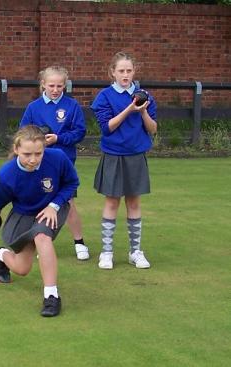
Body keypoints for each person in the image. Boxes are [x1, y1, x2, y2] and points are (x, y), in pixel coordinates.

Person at [0, 125, 79, 317]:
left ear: (45, 149)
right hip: (23, 214)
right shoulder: (7, 173)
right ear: (17, 149)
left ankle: (51, 296)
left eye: (38, 153)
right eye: (27, 154)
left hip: (51, 208)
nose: (33, 159)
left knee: (42, 236)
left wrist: (54, 205)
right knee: (22, 268)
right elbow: (2, 197)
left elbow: (71, 182)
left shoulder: (58, 158)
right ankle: (2, 255)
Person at [90, 51, 157, 270]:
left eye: (129, 70)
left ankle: (135, 252)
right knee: (111, 202)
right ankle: (107, 252)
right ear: (113, 72)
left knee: (134, 202)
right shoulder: (104, 97)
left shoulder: (145, 96)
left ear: (134, 72)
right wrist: (130, 108)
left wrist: (144, 111)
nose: (125, 75)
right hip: (113, 154)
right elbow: (107, 127)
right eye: (121, 71)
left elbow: (152, 129)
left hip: (136, 155)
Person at [19, 66, 89, 261]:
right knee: (38, 202)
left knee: (67, 202)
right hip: (37, 162)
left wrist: (58, 138)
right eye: (51, 85)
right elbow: (23, 132)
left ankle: (79, 242)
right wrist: (38, 141)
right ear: (43, 84)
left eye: (60, 86)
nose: (56, 89)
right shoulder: (33, 107)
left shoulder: (72, 106)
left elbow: (79, 132)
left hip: (63, 162)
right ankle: (41, 243)